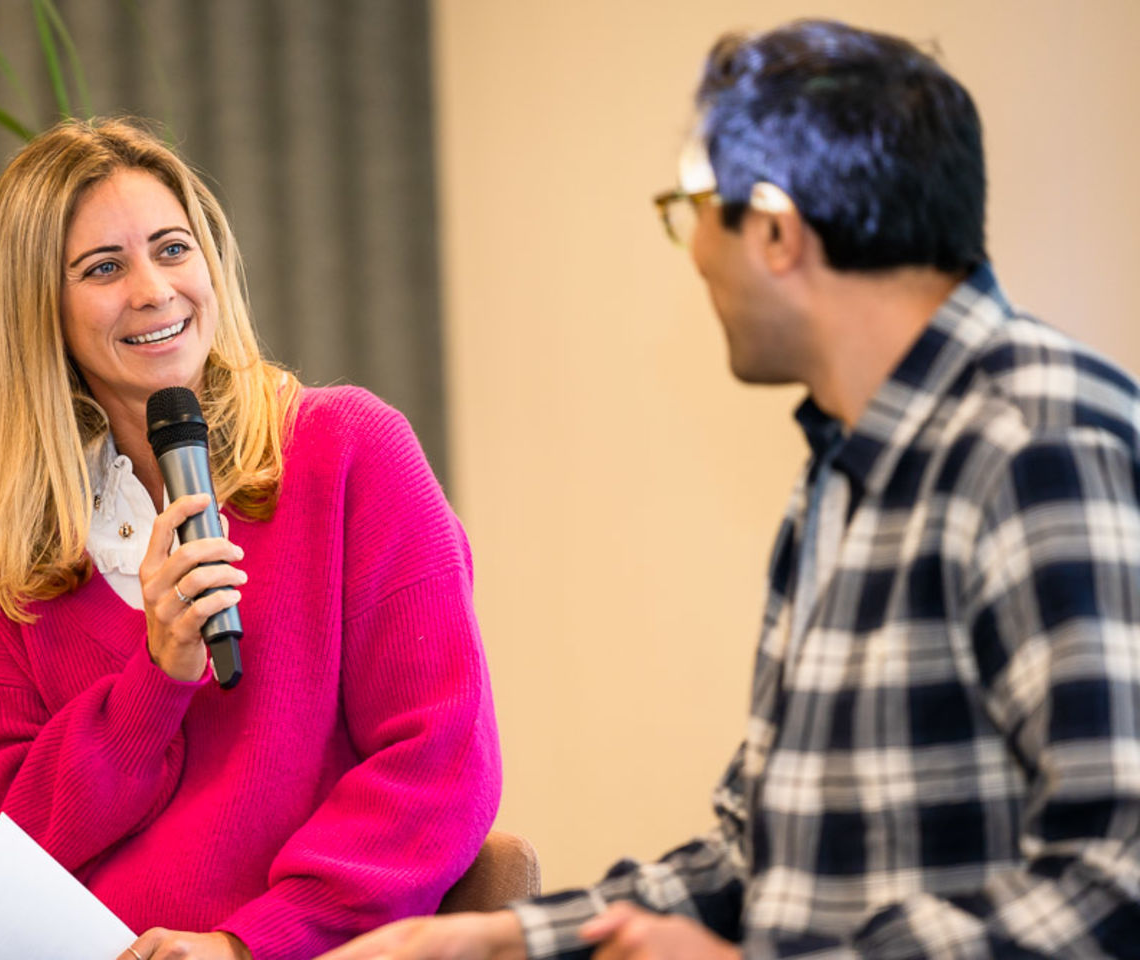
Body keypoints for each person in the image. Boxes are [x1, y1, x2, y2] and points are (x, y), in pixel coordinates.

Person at [319, 18, 1140, 960]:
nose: (697, 252)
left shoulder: (1038, 444)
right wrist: (497, 940)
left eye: (694, 206)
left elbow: (1116, 882)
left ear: (779, 231)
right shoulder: (843, 474)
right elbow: (762, 854)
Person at [0, 117, 501, 960]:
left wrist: (248, 945)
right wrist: (152, 684)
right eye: (103, 268)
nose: (154, 291)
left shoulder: (350, 452)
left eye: (172, 249)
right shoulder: (14, 545)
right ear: (40, 313)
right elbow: (13, 843)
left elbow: (440, 766)